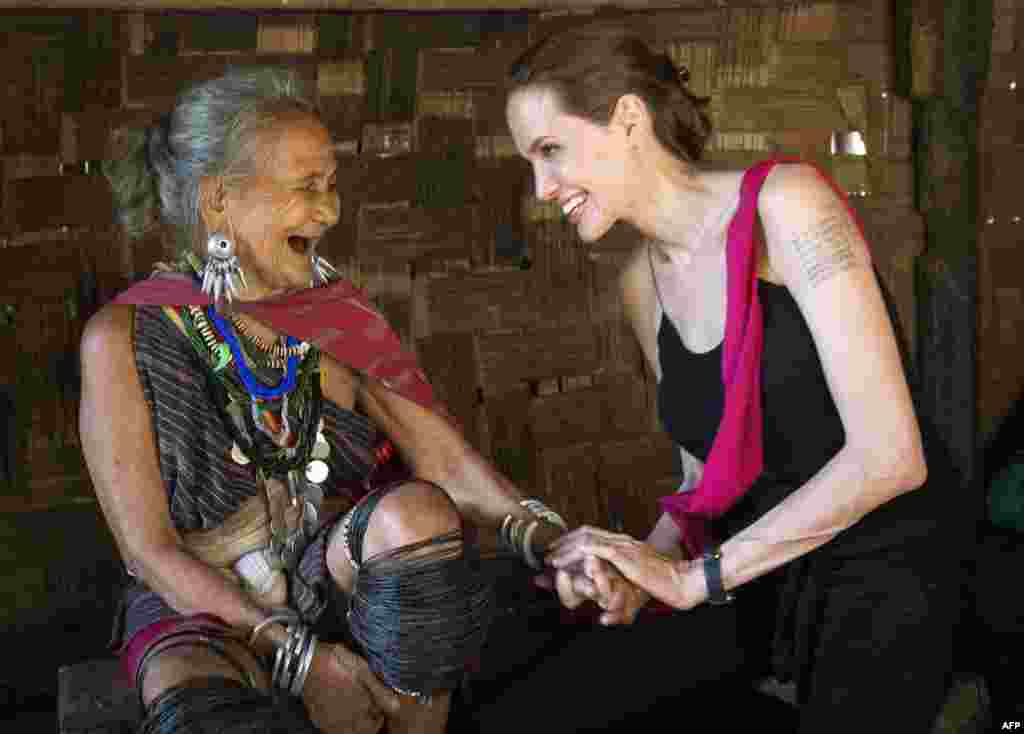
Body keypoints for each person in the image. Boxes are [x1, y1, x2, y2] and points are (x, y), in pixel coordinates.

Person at [486, 19, 967, 732]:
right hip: (760, 570)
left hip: (885, 561)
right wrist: (635, 567)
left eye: (551, 150)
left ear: (626, 119)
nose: (542, 187)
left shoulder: (788, 207)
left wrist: (689, 580)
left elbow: (892, 456)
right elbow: (703, 481)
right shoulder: (639, 286)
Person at [82, 65, 592, 734]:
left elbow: (449, 466)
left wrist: (557, 545)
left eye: (330, 187)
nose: (328, 212)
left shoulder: (339, 319)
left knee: (416, 516)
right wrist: (304, 662)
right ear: (218, 202)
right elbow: (150, 552)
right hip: (201, 604)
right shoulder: (125, 336)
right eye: (305, 189)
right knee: (198, 709)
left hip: (338, 583)